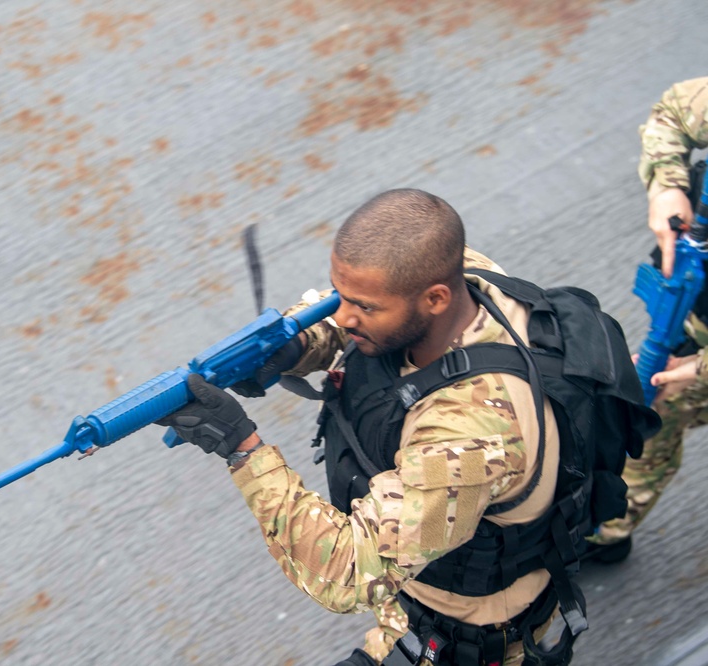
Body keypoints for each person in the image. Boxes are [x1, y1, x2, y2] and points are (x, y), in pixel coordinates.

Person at [158, 189, 654, 665]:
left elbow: (346, 573)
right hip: (434, 562)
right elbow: (348, 310)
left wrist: (244, 450)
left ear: (434, 298)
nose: (344, 316)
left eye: (365, 308)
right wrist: (296, 344)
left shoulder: (467, 434)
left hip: (463, 625)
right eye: (341, 295)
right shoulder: (464, 276)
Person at [588, 76, 708, 559]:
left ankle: (606, 529)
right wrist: (668, 185)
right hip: (692, 311)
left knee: (657, 409)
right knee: (653, 401)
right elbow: (677, 109)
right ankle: (608, 528)